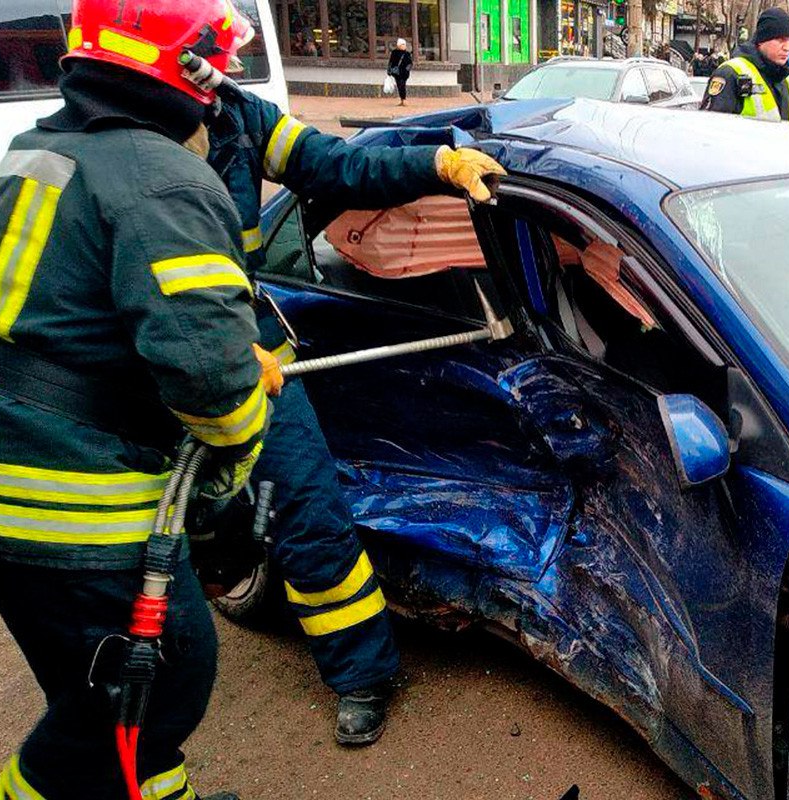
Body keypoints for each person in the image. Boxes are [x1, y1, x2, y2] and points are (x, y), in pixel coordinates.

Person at [0, 2, 271, 797]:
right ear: (187, 65)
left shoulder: (43, 147)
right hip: (62, 494)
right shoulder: (162, 177)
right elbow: (213, 382)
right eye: (215, 64)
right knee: (155, 695)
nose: (221, 85)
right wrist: (229, 488)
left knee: (104, 690)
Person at [193, 7, 504, 747]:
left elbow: (339, 165)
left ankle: (361, 675)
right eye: (205, 56)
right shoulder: (105, 159)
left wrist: (436, 162)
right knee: (170, 528)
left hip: (254, 356)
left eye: (219, 57)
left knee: (307, 511)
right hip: (159, 363)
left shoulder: (238, 117)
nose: (221, 70)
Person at [701, 7, 789, 121]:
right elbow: (710, 128)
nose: (787, 48)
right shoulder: (731, 73)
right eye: (780, 40)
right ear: (761, 40)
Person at [388, 38, 413, 106]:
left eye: (404, 44)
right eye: (402, 44)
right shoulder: (394, 53)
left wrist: (407, 70)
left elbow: (410, 63)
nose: (404, 46)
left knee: (402, 85)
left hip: (404, 73)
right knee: (399, 86)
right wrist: (389, 70)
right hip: (396, 72)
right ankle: (402, 100)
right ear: (398, 45)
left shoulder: (407, 53)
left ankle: (404, 99)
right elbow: (391, 62)